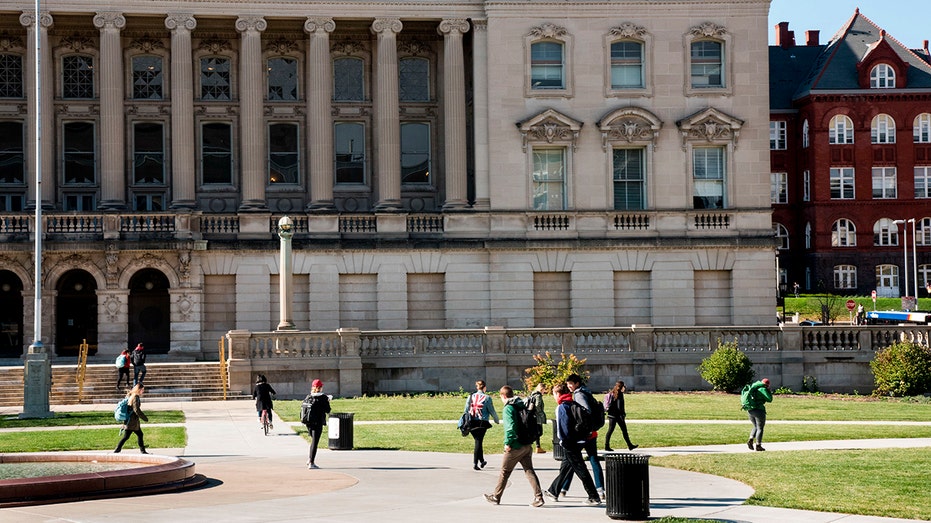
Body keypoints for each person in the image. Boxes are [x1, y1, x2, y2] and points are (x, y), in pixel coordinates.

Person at [483, 385, 545, 508]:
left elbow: (510, 428)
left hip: (515, 445)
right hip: (527, 444)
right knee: (529, 470)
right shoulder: (521, 404)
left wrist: (508, 443)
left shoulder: (508, 408)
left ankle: (496, 496)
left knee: (505, 472)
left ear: (503, 396)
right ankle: (539, 497)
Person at [544, 383, 601, 506]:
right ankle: (553, 491)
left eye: (553, 394)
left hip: (570, 443)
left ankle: (593, 496)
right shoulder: (573, 403)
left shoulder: (562, 407)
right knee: (566, 467)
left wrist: (563, 441)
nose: (553, 397)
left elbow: (563, 427)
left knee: (581, 469)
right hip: (579, 439)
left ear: (558, 394)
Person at [564, 373, 605, 500]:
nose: (569, 386)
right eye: (568, 384)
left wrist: (578, 426)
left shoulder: (579, 394)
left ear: (577, 384)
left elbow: (585, 411)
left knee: (573, 460)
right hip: (592, 433)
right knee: (593, 460)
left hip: (583, 434)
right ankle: (600, 489)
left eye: (571, 384)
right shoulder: (586, 392)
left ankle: (563, 488)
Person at [463, 380, 499, 470]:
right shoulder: (487, 398)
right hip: (482, 423)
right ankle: (475, 463)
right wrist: (496, 420)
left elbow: (466, 410)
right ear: (484, 388)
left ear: (477, 387)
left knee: (478, 441)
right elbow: (491, 410)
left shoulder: (470, 397)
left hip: (471, 422)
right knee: (478, 442)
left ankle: (482, 461)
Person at [301, 378, 331, 469]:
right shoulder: (323, 397)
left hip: (308, 422)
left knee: (313, 440)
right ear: (320, 387)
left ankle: (310, 458)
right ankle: (311, 462)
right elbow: (328, 410)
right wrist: (328, 401)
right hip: (317, 423)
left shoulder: (308, 396)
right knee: (315, 442)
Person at [603, 380, 638, 451]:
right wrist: (623, 414)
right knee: (624, 431)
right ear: (622, 387)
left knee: (610, 431)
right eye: (624, 386)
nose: (625, 388)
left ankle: (607, 446)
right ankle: (630, 445)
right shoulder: (620, 394)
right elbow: (619, 407)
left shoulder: (612, 392)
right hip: (618, 416)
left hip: (611, 415)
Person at [114, 383, 149, 454]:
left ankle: (117, 450)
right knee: (132, 436)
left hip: (130, 421)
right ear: (139, 389)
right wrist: (144, 418)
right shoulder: (135, 397)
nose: (143, 391)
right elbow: (136, 409)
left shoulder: (132, 396)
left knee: (130, 436)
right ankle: (143, 451)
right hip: (132, 422)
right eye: (142, 390)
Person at [742, 377, 773, 451]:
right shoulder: (763, 389)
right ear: (767, 385)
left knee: (755, 426)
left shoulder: (754, 387)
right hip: (759, 410)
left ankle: (751, 439)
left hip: (750, 410)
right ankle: (758, 445)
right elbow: (769, 399)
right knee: (760, 428)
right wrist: (769, 391)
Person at [526, 382, 547, 453]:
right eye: (544, 389)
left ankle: (538, 447)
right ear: (542, 389)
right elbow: (537, 405)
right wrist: (541, 413)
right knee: (539, 432)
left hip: (533, 415)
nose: (545, 391)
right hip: (537, 416)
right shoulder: (538, 396)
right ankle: (528, 443)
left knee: (537, 432)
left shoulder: (533, 394)